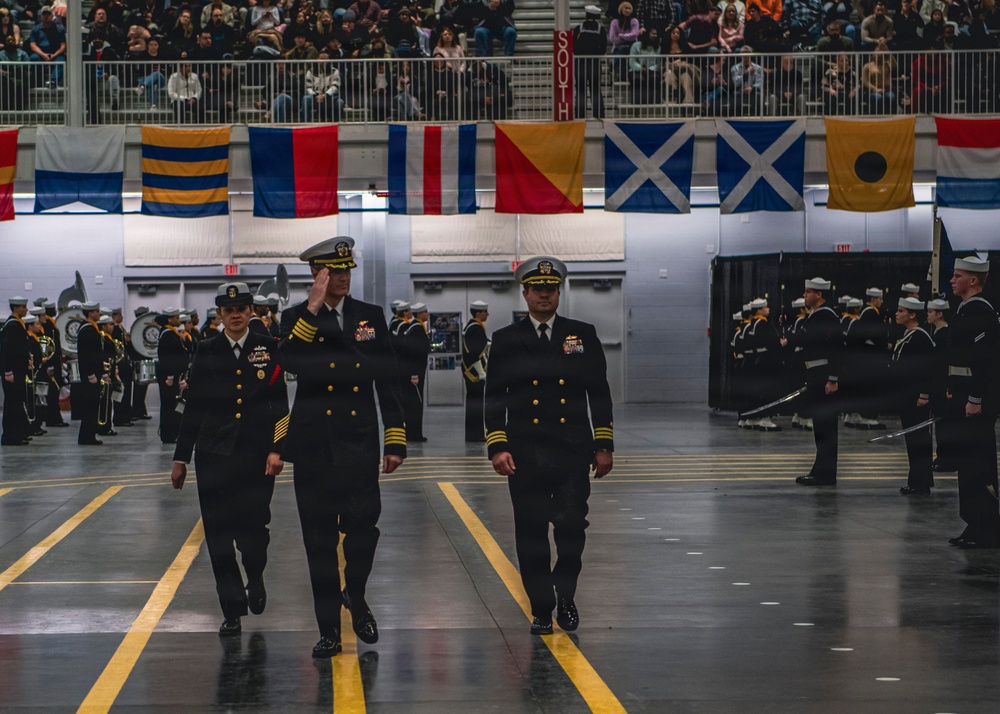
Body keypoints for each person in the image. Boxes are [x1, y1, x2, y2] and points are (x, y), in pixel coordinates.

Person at [277, 236, 406, 658]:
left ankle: (357, 594)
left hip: (358, 441)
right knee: (318, 542)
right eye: (335, 271)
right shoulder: (296, 317)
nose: (344, 278)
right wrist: (312, 309)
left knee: (363, 531)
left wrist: (396, 436)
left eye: (348, 270)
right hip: (313, 445)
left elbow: (388, 376)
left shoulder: (369, 316)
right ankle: (329, 629)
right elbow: (289, 362)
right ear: (317, 275)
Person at [485, 256, 614, 635]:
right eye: (537, 289)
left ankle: (566, 594)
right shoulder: (507, 340)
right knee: (531, 533)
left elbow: (599, 393)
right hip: (525, 454)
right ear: (524, 293)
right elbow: (493, 397)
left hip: (573, 450)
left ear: (559, 292)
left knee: (572, 530)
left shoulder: (582, 334)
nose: (544, 294)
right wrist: (497, 445)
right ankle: (541, 608)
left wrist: (603, 443)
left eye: (551, 288)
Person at [171, 282, 289, 636]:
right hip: (213, 455)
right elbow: (193, 408)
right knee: (218, 534)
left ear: (252, 311)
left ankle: (255, 575)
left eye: (242, 308)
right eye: (228, 309)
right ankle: (232, 608)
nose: (235, 314)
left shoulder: (269, 348)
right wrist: (180, 458)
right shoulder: (206, 350)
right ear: (219, 315)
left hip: (256, 455)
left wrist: (276, 448)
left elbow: (280, 403)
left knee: (255, 530)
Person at [944, 257, 1000, 549]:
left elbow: (985, 361)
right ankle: (974, 522)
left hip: (977, 401)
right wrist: (954, 390)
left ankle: (987, 527)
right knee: (967, 463)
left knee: (979, 463)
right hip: (964, 397)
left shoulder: (981, 311)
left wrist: (975, 397)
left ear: (974, 280)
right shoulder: (965, 310)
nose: (952, 280)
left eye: (957, 276)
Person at [795, 277, 842, 486]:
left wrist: (833, 378)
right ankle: (821, 469)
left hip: (824, 375)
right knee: (820, 426)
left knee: (826, 427)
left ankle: (826, 473)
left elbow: (836, 348)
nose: (804, 295)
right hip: (815, 374)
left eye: (808, 292)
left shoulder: (826, 316)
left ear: (819, 294)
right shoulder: (814, 316)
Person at [890, 297, 936, 495]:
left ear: (912, 314)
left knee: (918, 439)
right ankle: (918, 480)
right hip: (906, 395)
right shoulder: (907, 335)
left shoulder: (919, 337)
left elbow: (928, 369)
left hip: (917, 396)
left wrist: (924, 394)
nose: (896, 314)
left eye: (901, 311)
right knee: (913, 439)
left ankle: (921, 482)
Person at [925, 297, 955, 472]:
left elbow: (949, 363)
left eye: (930, 312)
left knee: (945, 424)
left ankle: (948, 458)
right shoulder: (936, 333)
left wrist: (949, 386)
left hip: (944, 386)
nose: (928, 315)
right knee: (939, 423)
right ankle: (942, 455)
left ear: (939, 313)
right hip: (937, 385)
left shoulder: (946, 334)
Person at [745, 297, 783, 431]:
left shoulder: (752, 324)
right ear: (759, 311)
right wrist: (781, 343)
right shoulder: (763, 325)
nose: (768, 309)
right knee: (767, 390)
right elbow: (772, 342)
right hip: (767, 359)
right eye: (765, 308)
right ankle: (765, 418)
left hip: (758, 358)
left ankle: (753, 417)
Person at [75, 302, 107, 446]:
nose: (99, 314)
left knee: (92, 406)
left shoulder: (91, 329)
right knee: (91, 406)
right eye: (97, 311)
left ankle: (88, 435)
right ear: (90, 313)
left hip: (93, 373)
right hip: (90, 375)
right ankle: (87, 436)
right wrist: (91, 374)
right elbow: (87, 355)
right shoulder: (87, 330)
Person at [1, 296, 30, 446]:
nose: (26, 309)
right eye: (23, 307)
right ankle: (10, 435)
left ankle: (18, 433)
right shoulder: (12, 326)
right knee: (12, 404)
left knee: (17, 403)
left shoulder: (18, 325)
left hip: (19, 371)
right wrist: (8, 371)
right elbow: (7, 351)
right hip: (12, 372)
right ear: (15, 308)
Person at [157, 307, 188, 444]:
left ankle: (172, 431)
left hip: (175, 374)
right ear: (169, 319)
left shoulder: (171, 333)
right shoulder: (167, 334)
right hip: (168, 376)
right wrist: (169, 376)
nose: (179, 320)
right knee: (168, 405)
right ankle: (167, 434)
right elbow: (167, 357)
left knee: (173, 404)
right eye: (176, 317)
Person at [401, 302, 430, 442]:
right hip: (415, 373)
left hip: (415, 371)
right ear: (419, 314)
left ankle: (414, 432)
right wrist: (414, 374)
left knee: (414, 403)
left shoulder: (415, 328)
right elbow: (413, 353)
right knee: (415, 404)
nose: (427, 314)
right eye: (425, 312)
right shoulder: (417, 329)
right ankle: (414, 434)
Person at [573, 5, 607, 120]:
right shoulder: (600, 29)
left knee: (581, 90)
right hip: (595, 64)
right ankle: (598, 115)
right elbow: (603, 50)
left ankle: (579, 116)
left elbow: (574, 49)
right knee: (596, 89)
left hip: (580, 64)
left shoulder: (578, 28)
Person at [463, 300, 489, 442]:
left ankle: (474, 433)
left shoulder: (474, 327)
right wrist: (480, 372)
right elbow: (473, 352)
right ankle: (475, 434)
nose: (487, 314)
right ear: (478, 313)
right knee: (476, 404)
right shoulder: (475, 328)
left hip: (474, 372)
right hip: (474, 373)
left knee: (475, 403)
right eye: (485, 312)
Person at [28, 5, 66, 86]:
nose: (46, 16)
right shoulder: (35, 29)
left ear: (52, 16)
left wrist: (54, 55)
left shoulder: (60, 29)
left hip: (55, 53)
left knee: (61, 60)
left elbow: (63, 45)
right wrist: (43, 55)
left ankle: (53, 82)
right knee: (34, 58)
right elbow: (32, 45)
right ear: (41, 16)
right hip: (40, 53)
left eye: (48, 14)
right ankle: (37, 81)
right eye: (44, 14)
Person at [110, 306, 134, 428]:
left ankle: (126, 416)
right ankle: (120, 418)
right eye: (119, 315)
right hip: (120, 364)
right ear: (114, 316)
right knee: (121, 392)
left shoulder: (121, 328)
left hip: (126, 364)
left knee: (127, 391)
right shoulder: (114, 330)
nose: (122, 317)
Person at [130, 306, 153, 420]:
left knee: (142, 388)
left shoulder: (138, 329)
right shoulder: (137, 329)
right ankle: (137, 411)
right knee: (140, 388)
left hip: (143, 360)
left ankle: (140, 410)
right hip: (139, 361)